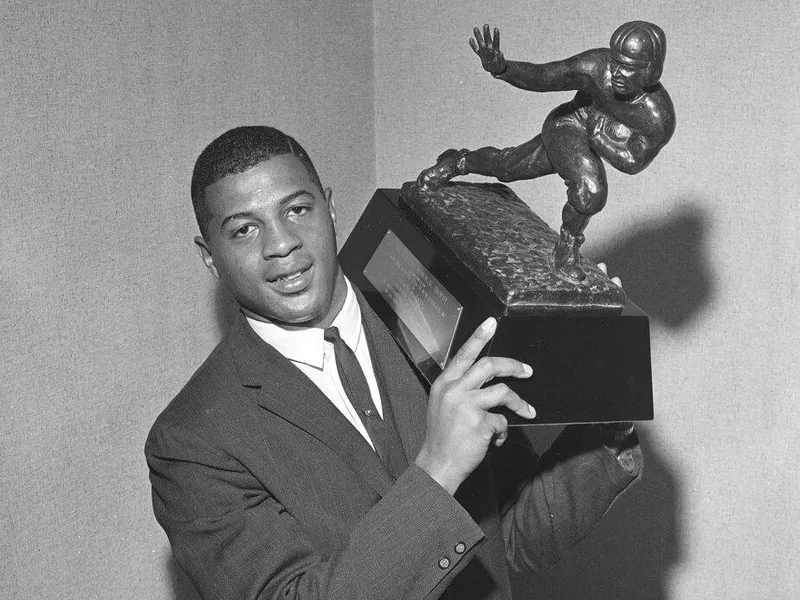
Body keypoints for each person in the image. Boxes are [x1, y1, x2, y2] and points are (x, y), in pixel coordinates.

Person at [146, 126, 642, 600]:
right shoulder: (192, 442)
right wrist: (439, 469)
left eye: (297, 209)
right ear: (209, 256)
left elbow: (511, 537)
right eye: (244, 230)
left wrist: (608, 408)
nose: (280, 245)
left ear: (331, 208)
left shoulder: (430, 307)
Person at [420, 22, 676, 281]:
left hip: (591, 140)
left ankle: (459, 161)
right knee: (590, 190)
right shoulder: (597, 68)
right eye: (615, 62)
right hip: (567, 125)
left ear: (650, 71)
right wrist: (503, 68)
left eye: (629, 67)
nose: (617, 72)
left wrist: (600, 141)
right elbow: (545, 77)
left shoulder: (657, 118)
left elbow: (633, 161)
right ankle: (566, 247)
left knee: (508, 168)